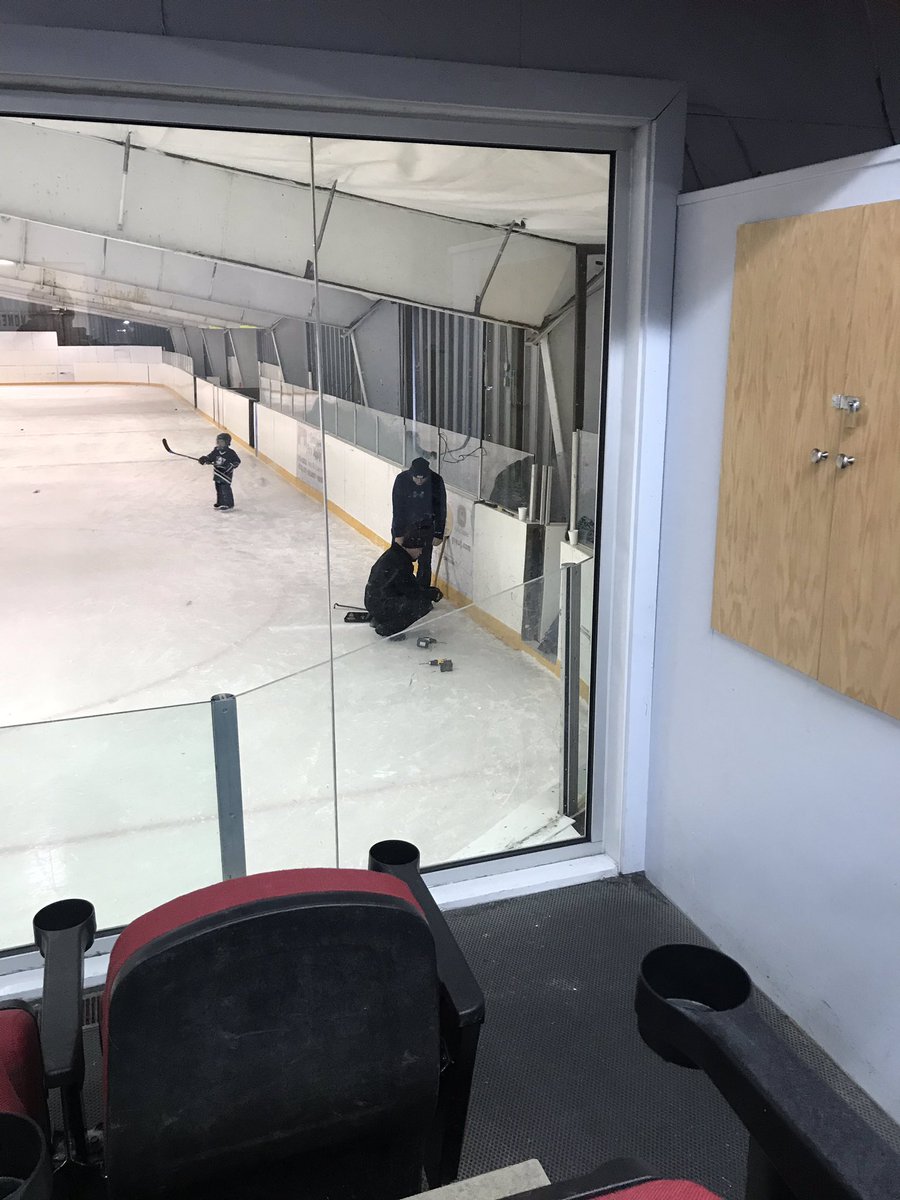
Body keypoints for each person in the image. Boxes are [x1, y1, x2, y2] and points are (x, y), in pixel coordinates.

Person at [365, 529, 443, 639]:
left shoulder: (393, 554)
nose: (420, 553)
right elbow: (412, 592)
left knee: (408, 598)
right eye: (419, 549)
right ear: (410, 547)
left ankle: (378, 619)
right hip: (380, 604)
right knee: (423, 604)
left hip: (372, 601)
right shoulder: (402, 563)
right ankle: (389, 628)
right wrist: (431, 594)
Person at [391, 457, 446, 594]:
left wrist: (439, 533)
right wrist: (398, 534)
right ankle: (398, 589)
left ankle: (422, 593)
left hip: (426, 527)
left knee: (425, 562)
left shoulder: (436, 481)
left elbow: (441, 509)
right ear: (411, 474)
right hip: (405, 526)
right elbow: (397, 508)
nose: (420, 482)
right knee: (398, 560)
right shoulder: (401, 480)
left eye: (423, 479)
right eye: (417, 478)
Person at [199, 432, 241, 510]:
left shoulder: (231, 453)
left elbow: (237, 461)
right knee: (218, 488)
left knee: (225, 488)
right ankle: (220, 502)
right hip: (217, 474)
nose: (219, 444)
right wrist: (205, 459)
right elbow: (210, 457)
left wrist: (230, 466)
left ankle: (229, 503)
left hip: (226, 475)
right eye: (218, 442)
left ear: (227, 443)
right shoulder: (216, 450)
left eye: (222, 442)